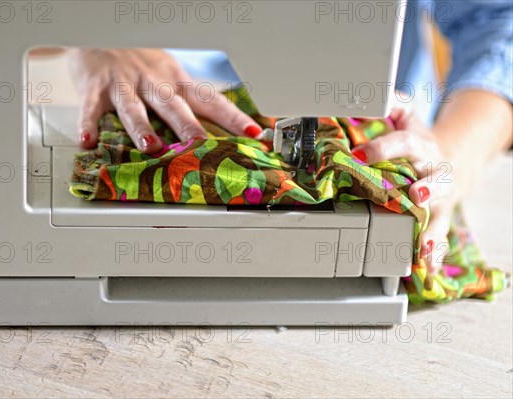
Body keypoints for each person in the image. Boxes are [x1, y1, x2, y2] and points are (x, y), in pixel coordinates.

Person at [69, 0, 512, 274]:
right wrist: (96, 32)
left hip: (390, 122)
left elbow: (499, 22)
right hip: (168, 104)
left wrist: (452, 155)